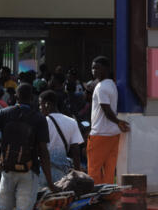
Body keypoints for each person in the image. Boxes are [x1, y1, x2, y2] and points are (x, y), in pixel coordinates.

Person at [86, 56, 129, 186]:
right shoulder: (111, 84)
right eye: (93, 68)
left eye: (97, 68)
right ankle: (109, 196)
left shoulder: (100, 88)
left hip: (100, 134)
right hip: (113, 134)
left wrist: (118, 121)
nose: (94, 71)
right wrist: (118, 123)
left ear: (106, 69)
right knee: (110, 170)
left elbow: (106, 110)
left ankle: (95, 198)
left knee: (94, 169)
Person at [40, 90, 84, 183]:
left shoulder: (41, 122)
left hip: (42, 172)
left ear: (47, 104)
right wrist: (78, 175)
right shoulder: (71, 122)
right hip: (62, 174)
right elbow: (76, 152)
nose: (40, 108)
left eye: (41, 104)